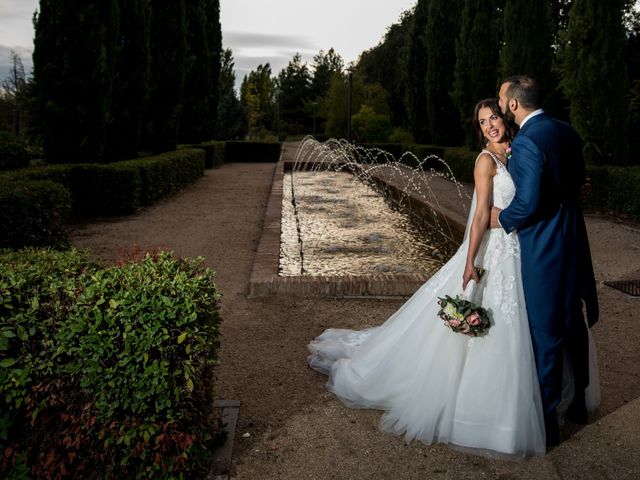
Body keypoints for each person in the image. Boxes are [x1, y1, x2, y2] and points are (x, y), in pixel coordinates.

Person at [308, 98, 547, 459]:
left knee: (510, 324)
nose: (489, 126)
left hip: (516, 251)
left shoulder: (516, 152)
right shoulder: (485, 161)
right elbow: (480, 214)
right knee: (487, 322)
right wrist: (469, 261)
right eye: (482, 122)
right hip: (492, 251)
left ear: (504, 116)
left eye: (493, 118)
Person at [492, 75, 600, 446]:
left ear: (513, 105)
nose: (500, 103)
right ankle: (579, 406)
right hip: (573, 238)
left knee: (546, 330)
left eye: (502, 98)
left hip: (544, 245)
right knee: (572, 321)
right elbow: (578, 182)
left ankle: (548, 421)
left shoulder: (526, 141)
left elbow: (529, 202)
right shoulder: (566, 131)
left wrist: (500, 218)